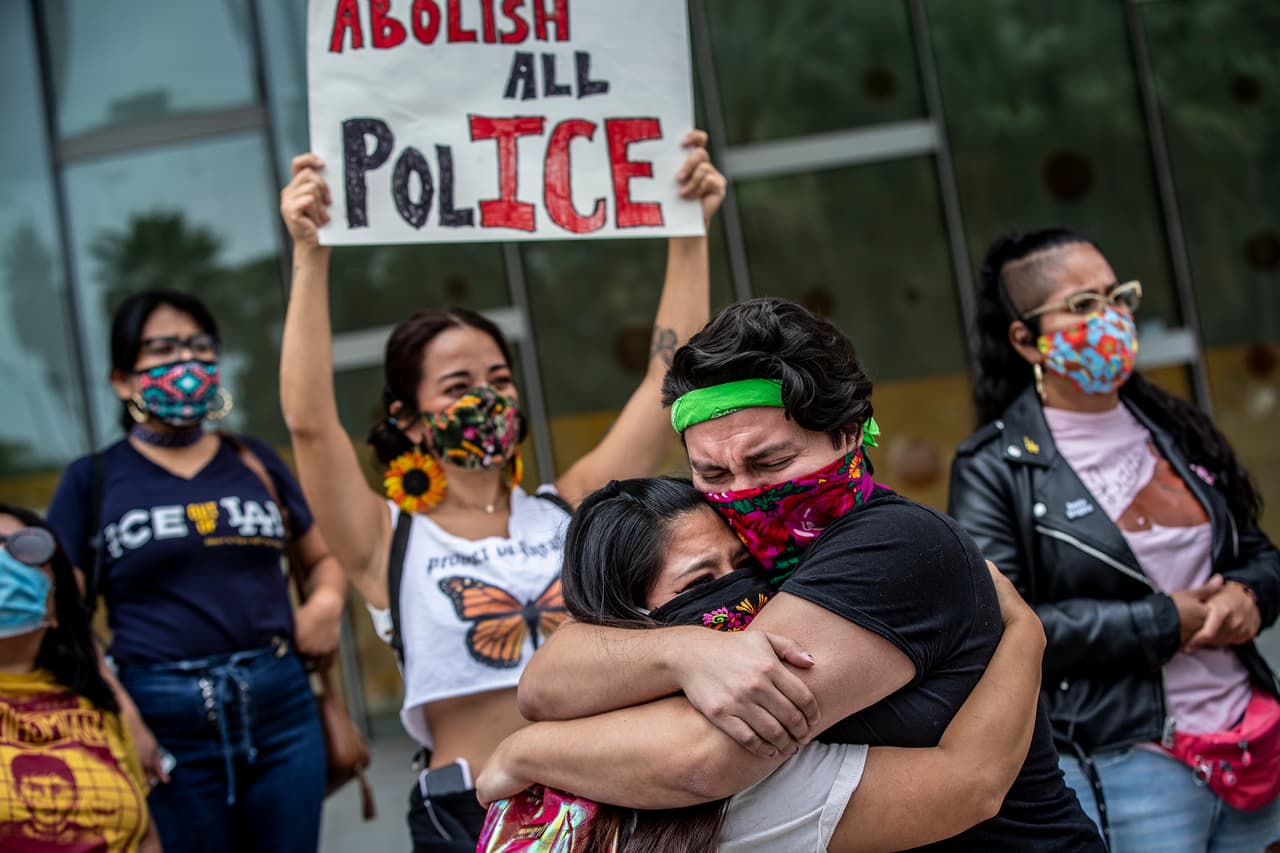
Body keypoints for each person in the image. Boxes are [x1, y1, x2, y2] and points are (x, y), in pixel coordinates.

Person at [511, 297, 1104, 850]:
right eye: (713, 475)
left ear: (848, 433)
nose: (743, 495)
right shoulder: (734, 549)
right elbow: (543, 683)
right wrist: (683, 652)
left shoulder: (897, 546)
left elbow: (707, 753)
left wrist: (523, 753)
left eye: (771, 461)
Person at [277, 131, 726, 851]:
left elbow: (662, 380)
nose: (486, 397)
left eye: (499, 379)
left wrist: (688, 231)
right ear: (407, 419)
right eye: (457, 386)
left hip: (607, 803)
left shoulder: (568, 505)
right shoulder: (385, 538)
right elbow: (307, 422)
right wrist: (311, 253)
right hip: (467, 819)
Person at [477, 477, 1048, 852]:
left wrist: (521, 750)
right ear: (631, 620)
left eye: (746, 564)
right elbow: (967, 785)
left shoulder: (580, 733)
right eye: (702, 582)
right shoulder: (750, 773)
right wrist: (1024, 632)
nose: (742, 590)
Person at [948, 228, 1280, 851]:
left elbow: (1256, 552)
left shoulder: (1175, 427)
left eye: (1117, 296)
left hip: (1254, 742)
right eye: (1082, 306)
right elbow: (1003, 623)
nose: (1112, 318)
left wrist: (1251, 596)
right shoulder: (996, 466)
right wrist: (1160, 621)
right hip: (1129, 764)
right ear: (1025, 339)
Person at [45, 290, 346, 853]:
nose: (185, 362)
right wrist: (122, 713)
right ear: (122, 380)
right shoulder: (93, 480)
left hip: (281, 707)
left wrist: (326, 605)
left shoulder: (253, 459)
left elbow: (324, 558)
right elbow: (63, 613)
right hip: (161, 715)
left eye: (198, 346)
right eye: (162, 349)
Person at [0, 503, 160, 852]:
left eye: (25, 549)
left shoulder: (98, 703)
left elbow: (145, 835)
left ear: (56, 605)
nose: (4, 566)